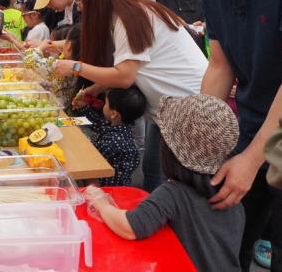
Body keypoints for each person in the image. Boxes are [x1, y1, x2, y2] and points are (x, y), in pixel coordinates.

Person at [150, 0, 282, 272]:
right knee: (228, 244)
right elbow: (221, 65)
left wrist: (255, 158)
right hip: (251, 125)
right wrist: (195, 137)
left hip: (273, 135)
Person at [53, 0, 207, 192]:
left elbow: (124, 76)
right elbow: (131, 69)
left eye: (81, 2)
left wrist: (76, 66)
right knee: (154, 172)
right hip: (170, 108)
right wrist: (93, 90)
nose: (81, 9)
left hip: (187, 108)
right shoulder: (127, 13)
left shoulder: (129, 16)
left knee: (172, 184)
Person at [85, 94, 245, 272]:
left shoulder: (174, 193)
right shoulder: (232, 199)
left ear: (170, 151)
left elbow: (129, 227)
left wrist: (101, 202)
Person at [75, 86, 146, 186]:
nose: (104, 106)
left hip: (104, 188)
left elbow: (89, 159)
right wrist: (83, 107)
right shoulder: (121, 128)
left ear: (113, 113)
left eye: (106, 104)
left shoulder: (112, 142)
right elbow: (98, 123)